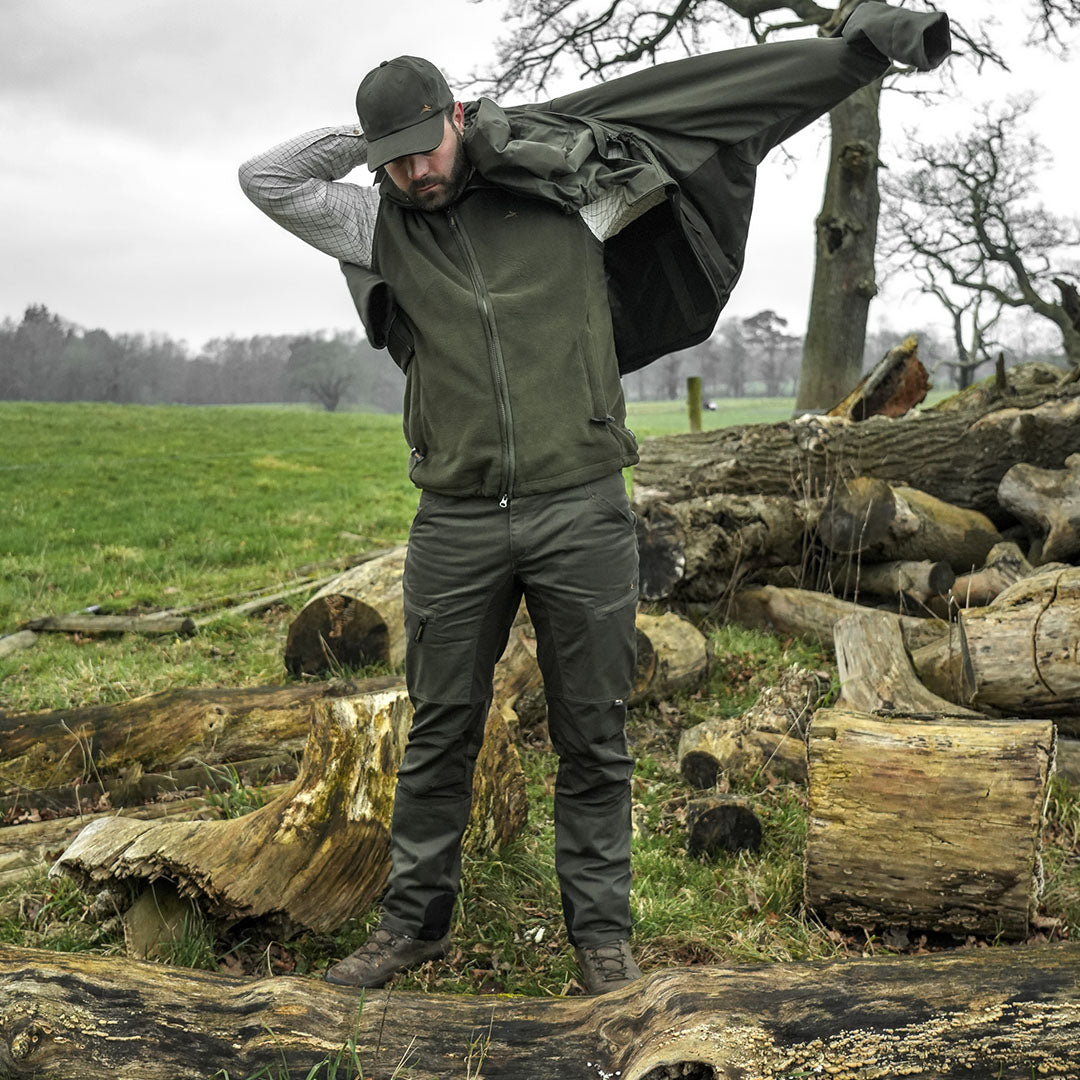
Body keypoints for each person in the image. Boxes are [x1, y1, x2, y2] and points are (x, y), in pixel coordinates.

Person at [239, 2, 949, 995]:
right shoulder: (374, 226)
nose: (415, 174)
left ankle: (603, 942)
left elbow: (719, 119)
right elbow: (264, 178)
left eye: (426, 148)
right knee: (439, 728)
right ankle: (412, 927)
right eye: (392, 160)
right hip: (456, 519)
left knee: (594, 734)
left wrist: (846, 60)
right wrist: (372, 139)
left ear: (459, 119)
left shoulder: (573, 189)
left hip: (580, 507)